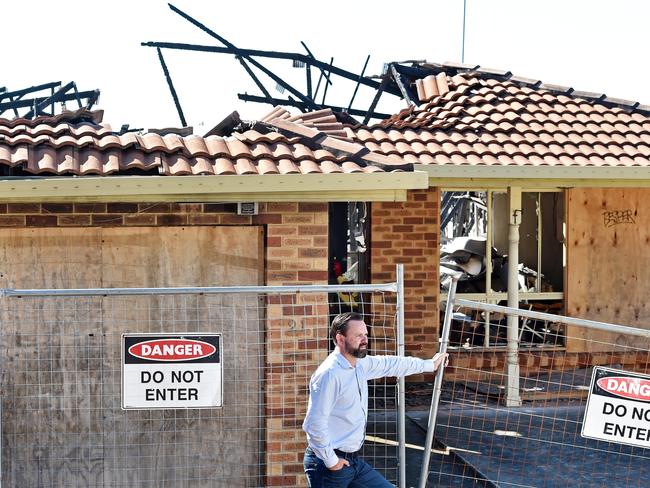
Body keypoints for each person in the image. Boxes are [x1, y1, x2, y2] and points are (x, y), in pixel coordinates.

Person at [302, 312, 448, 487]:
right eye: (358, 336)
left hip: (352, 462)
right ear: (340, 339)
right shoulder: (329, 374)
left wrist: (429, 365)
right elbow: (314, 424)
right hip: (328, 466)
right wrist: (332, 461)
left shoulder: (360, 364)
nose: (364, 340)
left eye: (365, 335)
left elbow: (391, 364)